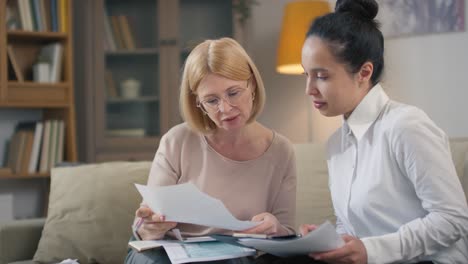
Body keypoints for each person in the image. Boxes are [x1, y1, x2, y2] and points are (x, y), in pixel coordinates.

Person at [299, 0, 468, 263]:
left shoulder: (406, 126)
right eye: (306, 75)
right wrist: (329, 240)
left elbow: (453, 219)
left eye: (321, 76)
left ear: (364, 72)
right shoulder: (336, 145)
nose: (309, 89)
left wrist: (371, 250)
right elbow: (353, 230)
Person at [125, 37, 297, 264]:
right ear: (198, 103)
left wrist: (275, 228)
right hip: (173, 254)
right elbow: (145, 228)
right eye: (211, 100)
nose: (225, 108)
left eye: (233, 93)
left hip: (239, 255)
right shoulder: (177, 141)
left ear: (252, 84)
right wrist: (149, 227)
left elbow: (287, 233)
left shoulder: (281, 151)